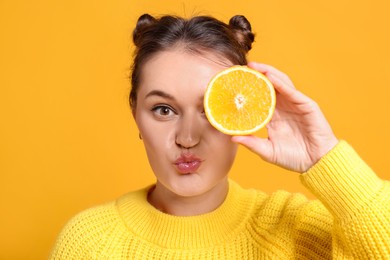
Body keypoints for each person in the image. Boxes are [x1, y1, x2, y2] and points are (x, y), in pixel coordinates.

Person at [50, 13, 390, 259]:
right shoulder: (90, 243)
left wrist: (326, 157)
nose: (187, 138)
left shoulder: (296, 231)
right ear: (135, 115)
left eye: (210, 110)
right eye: (163, 110)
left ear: (242, 114)